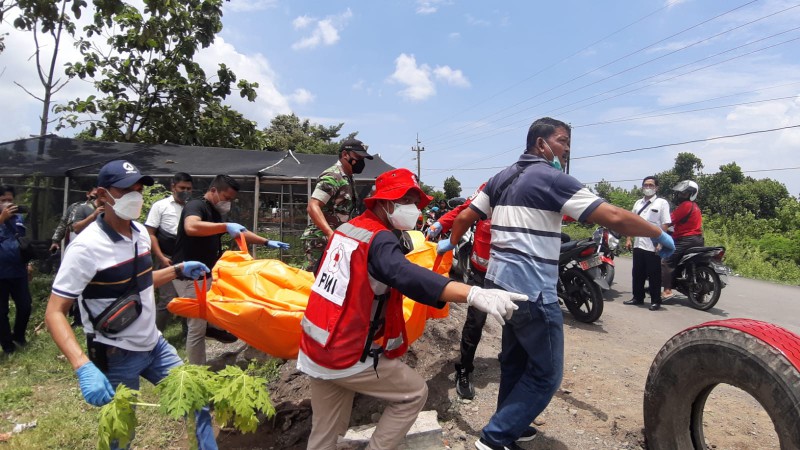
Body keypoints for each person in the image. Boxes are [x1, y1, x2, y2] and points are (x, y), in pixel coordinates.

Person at [458, 117, 674, 450]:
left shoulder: (499, 178)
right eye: (562, 141)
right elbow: (614, 217)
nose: (566, 150)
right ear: (541, 144)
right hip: (532, 291)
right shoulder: (552, 178)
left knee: (515, 361)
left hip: (500, 287)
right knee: (547, 373)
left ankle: (512, 424)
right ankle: (495, 439)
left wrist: (450, 245)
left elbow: (464, 217)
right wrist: (658, 232)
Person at [298, 168, 526, 450]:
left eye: (415, 203)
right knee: (413, 394)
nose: (413, 209)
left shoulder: (346, 229)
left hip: (315, 343)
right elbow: (407, 276)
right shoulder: (379, 239)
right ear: (383, 203)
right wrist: (472, 293)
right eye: (404, 200)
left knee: (325, 433)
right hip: (344, 350)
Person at [43, 160, 218, 449]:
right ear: (102, 195)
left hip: (155, 345)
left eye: (139, 189)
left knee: (196, 399)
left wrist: (177, 270)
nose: (135, 196)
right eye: (125, 190)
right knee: (121, 435)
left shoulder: (138, 233)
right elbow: (54, 312)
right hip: (116, 353)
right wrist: (82, 365)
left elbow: (138, 281)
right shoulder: (86, 248)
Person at [172, 174, 290, 365]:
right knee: (196, 326)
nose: (228, 202)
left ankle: (213, 328)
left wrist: (266, 241)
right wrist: (225, 226)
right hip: (189, 275)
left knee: (221, 311)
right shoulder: (196, 206)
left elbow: (240, 232)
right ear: (213, 191)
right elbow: (191, 227)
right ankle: (196, 370)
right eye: (226, 198)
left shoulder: (214, 212)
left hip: (207, 273)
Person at [427, 181, 490, 400]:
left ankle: (511, 360)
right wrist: (441, 224)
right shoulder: (495, 185)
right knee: (475, 321)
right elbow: (465, 210)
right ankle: (464, 368)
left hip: (512, 272)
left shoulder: (539, 190)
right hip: (481, 270)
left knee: (514, 319)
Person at [301, 138, 372, 273]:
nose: (361, 162)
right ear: (345, 154)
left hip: (337, 239)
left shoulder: (348, 177)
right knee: (312, 281)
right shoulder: (333, 176)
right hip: (321, 240)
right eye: (358, 157)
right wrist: (329, 233)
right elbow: (313, 206)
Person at [144, 172, 193, 331]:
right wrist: (161, 257)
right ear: (173, 187)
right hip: (167, 257)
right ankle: (155, 335)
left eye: (189, 188)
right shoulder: (160, 206)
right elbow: (150, 233)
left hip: (186, 258)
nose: (185, 191)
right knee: (167, 299)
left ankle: (188, 334)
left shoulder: (192, 207)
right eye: (182, 187)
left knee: (187, 299)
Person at [624, 176, 672, 311]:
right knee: (637, 272)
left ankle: (656, 301)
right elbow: (631, 222)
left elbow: (665, 223)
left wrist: (661, 242)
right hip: (639, 243)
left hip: (653, 244)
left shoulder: (661, 203)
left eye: (651, 185)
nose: (648, 187)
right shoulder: (638, 203)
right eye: (646, 185)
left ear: (656, 188)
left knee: (654, 274)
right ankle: (637, 297)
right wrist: (628, 238)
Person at [0, 185, 32, 356]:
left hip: (18, 270)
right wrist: (1, 219)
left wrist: (28, 264)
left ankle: (18, 337)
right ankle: (7, 346)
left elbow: (21, 242)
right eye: (3, 200)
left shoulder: (18, 217)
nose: (7, 203)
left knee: (25, 306)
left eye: (10, 200)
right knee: (1, 312)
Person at [661, 180, 704, 299]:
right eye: (680, 193)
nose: (680, 196)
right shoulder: (695, 207)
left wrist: (659, 227)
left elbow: (670, 220)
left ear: (691, 194)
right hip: (698, 239)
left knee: (666, 262)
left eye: (684, 194)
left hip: (685, 240)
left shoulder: (686, 205)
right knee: (682, 263)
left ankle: (667, 290)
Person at [49, 187, 98, 253]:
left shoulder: (102, 209)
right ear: (88, 194)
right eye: (94, 195)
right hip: (74, 238)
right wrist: (55, 241)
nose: (95, 198)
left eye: (98, 196)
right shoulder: (75, 206)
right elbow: (63, 223)